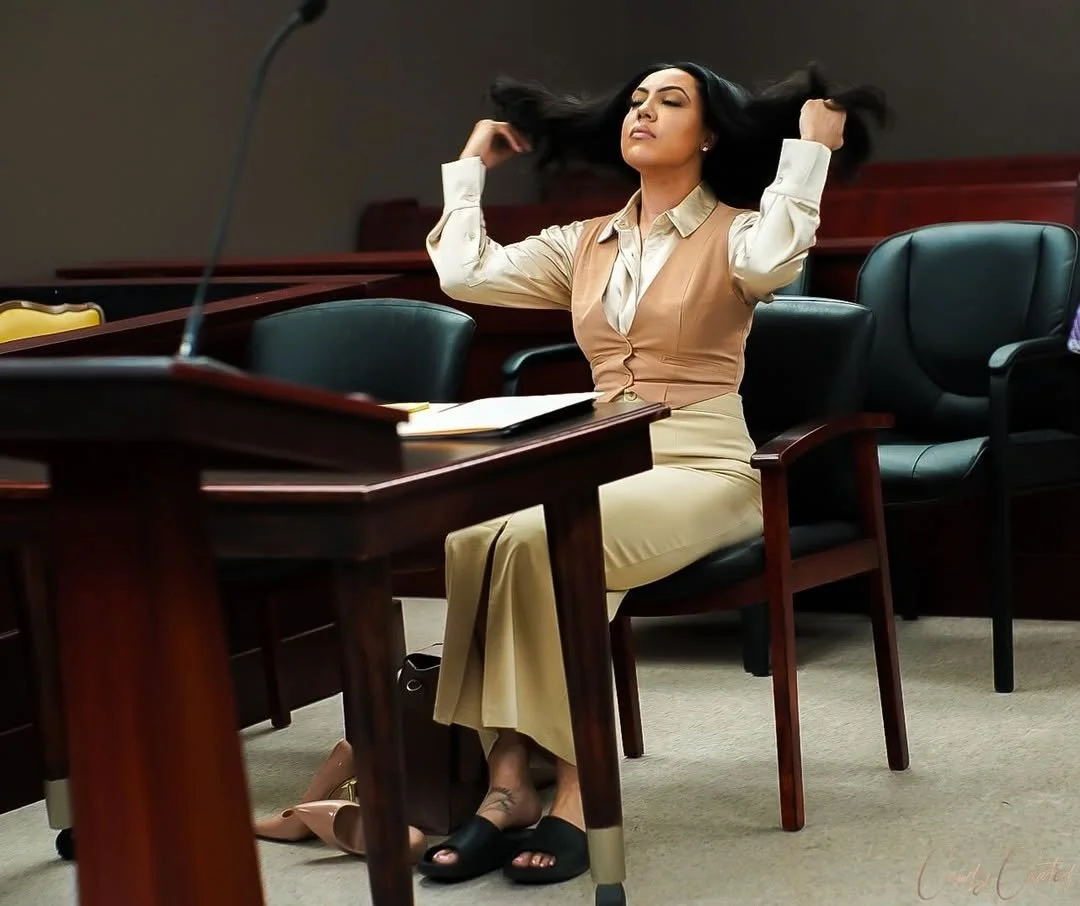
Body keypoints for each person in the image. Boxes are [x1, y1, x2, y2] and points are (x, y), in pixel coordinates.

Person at [418, 61, 888, 887]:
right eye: (635, 100)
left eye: (670, 102)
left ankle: (576, 790)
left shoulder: (740, 231)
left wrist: (808, 153)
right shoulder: (583, 242)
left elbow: (779, 262)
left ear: (706, 134)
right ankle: (504, 781)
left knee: (539, 540)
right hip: (600, 458)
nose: (643, 111)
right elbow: (464, 275)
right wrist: (469, 173)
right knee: (474, 534)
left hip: (706, 465)